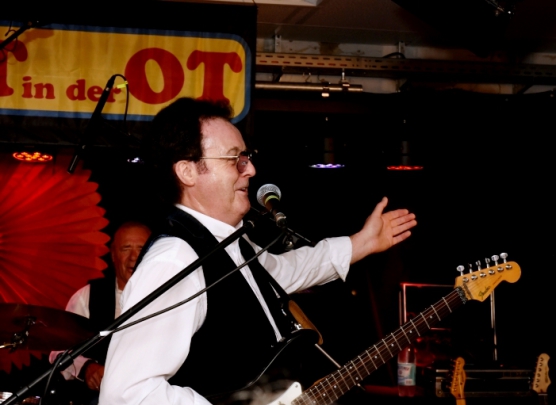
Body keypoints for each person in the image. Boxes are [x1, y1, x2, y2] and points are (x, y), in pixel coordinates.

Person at [99, 98, 417, 405]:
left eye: (247, 157)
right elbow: (127, 394)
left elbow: (286, 271)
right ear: (188, 172)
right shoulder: (175, 258)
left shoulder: (229, 242)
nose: (250, 169)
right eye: (234, 158)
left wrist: (361, 243)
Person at [50, 221, 151, 397]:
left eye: (141, 249)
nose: (134, 257)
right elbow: (58, 352)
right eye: (126, 248)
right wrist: (87, 368)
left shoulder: (171, 297)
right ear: (113, 255)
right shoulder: (89, 296)